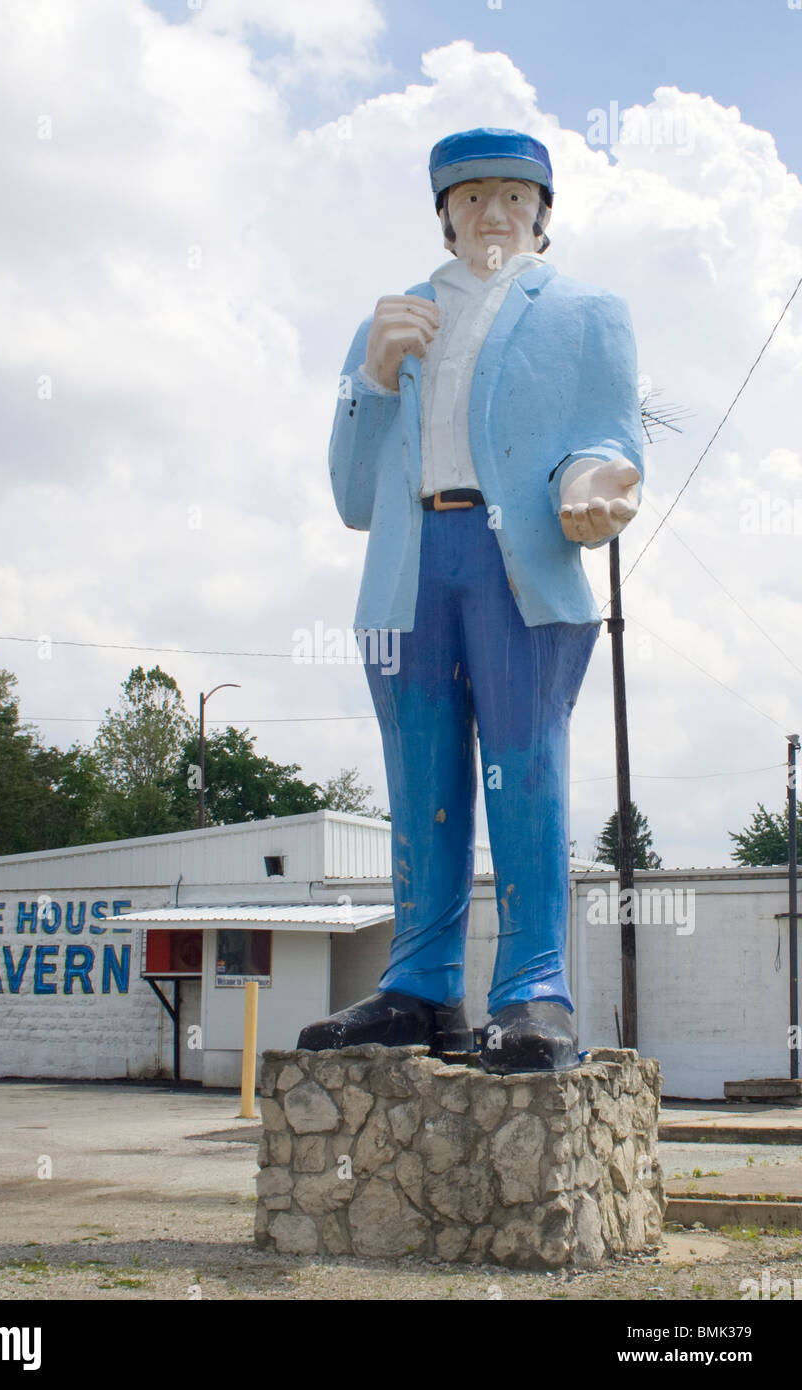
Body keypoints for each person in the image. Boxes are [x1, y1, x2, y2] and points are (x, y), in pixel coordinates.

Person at [298, 128, 644, 1072]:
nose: (495, 212)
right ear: (444, 215)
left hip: (520, 562)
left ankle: (534, 991)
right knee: (422, 782)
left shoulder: (586, 312)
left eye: (514, 195)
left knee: (524, 773)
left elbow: (606, 439)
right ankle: (419, 984)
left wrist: (594, 486)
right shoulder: (389, 325)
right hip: (410, 570)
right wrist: (372, 379)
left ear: (543, 211)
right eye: (473, 195)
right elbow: (353, 496)